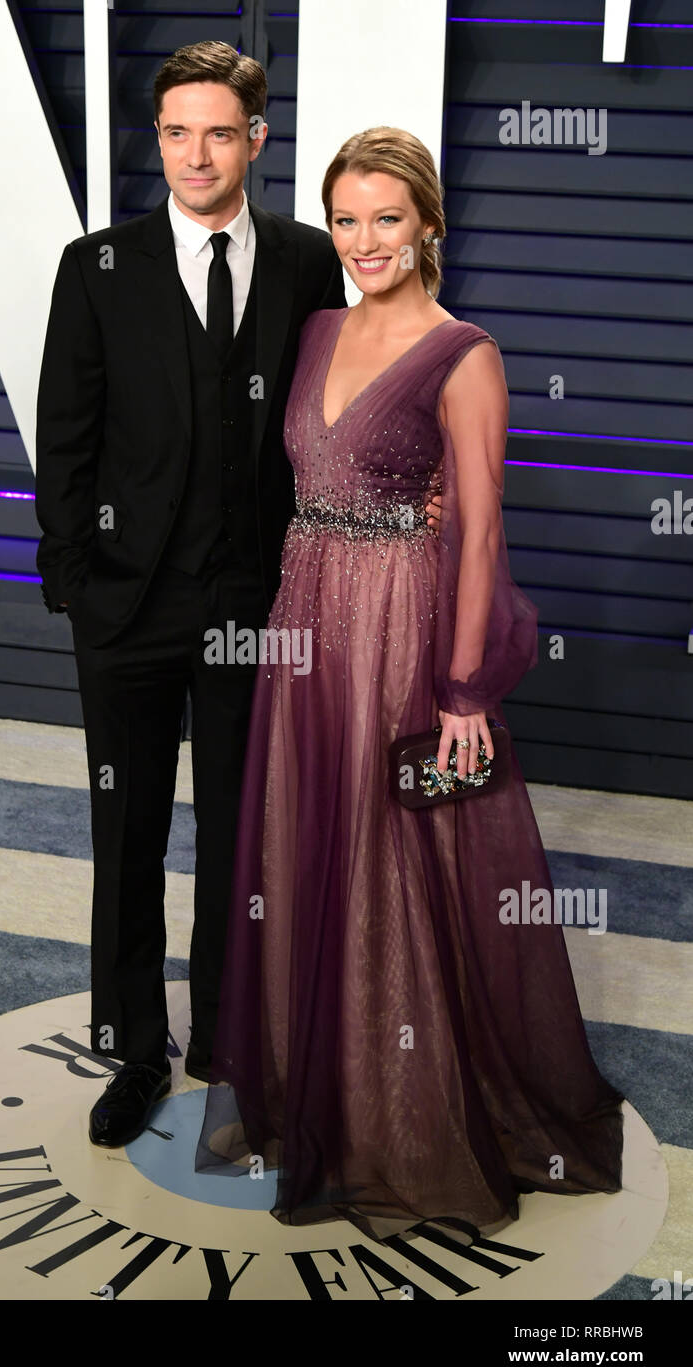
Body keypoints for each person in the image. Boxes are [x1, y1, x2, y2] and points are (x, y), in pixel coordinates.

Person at [196, 127, 625, 1244]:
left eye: (388, 217)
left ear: (429, 222)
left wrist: (466, 689)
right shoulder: (319, 329)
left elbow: (480, 531)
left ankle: (405, 1116)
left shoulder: (463, 352)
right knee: (303, 848)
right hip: (306, 621)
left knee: (393, 861)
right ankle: (315, 1090)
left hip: (398, 632)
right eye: (346, 219)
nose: (364, 240)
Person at [35, 42, 443, 1148]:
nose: (195, 155)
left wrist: (411, 505)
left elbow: (360, 395)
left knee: (239, 838)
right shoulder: (99, 266)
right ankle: (133, 1054)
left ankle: (225, 1043)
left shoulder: (313, 261)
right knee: (125, 837)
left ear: (257, 140)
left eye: (220, 132)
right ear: (156, 139)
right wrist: (74, 581)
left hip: (256, 611)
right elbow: (64, 439)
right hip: (123, 608)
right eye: (175, 133)